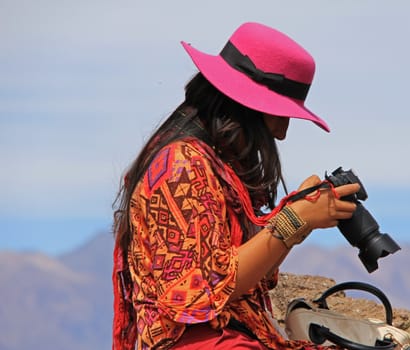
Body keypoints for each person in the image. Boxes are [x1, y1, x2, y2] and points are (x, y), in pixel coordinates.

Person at [112, 22, 360, 350]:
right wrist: (294, 221)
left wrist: (302, 215)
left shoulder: (213, 165)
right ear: (248, 107)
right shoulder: (182, 166)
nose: (282, 133)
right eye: (279, 115)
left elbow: (249, 273)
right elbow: (200, 292)